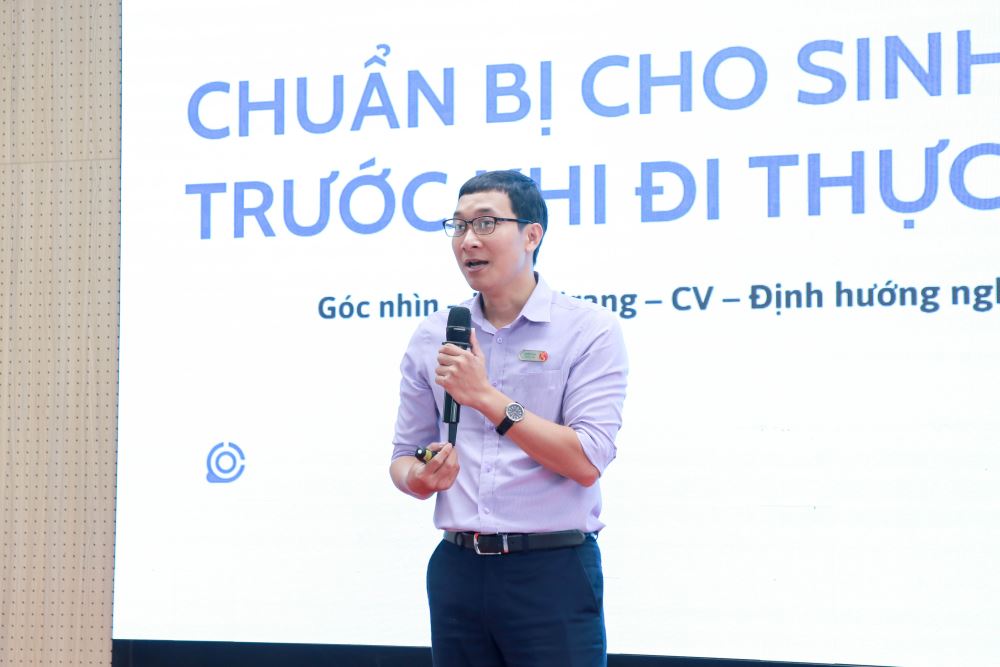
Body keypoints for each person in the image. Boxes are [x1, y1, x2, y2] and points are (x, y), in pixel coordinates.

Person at [389, 170, 628, 667]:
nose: (468, 240)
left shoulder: (589, 330)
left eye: (485, 223)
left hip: (551, 572)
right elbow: (404, 457)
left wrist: (486, 398)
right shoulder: (434, 333)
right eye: (458, 226)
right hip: (457, 570)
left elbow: (586, 461)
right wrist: (419, 477)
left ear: (531, 235)